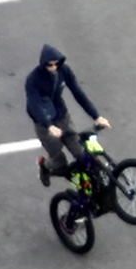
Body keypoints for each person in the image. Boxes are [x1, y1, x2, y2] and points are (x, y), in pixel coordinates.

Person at [25, 44, 110, 187]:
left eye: (56, 64)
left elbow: (78, 93)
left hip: (63, 117)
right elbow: (35, 105)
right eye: (49, 65)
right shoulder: (33, 80)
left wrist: (96, 116)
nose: (53, 68)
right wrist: (49, 125)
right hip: (44, 125)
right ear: (43, 64)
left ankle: (90, 186)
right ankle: (44, 166)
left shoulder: (64, 71)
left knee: (81, 153)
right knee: (60, 164)